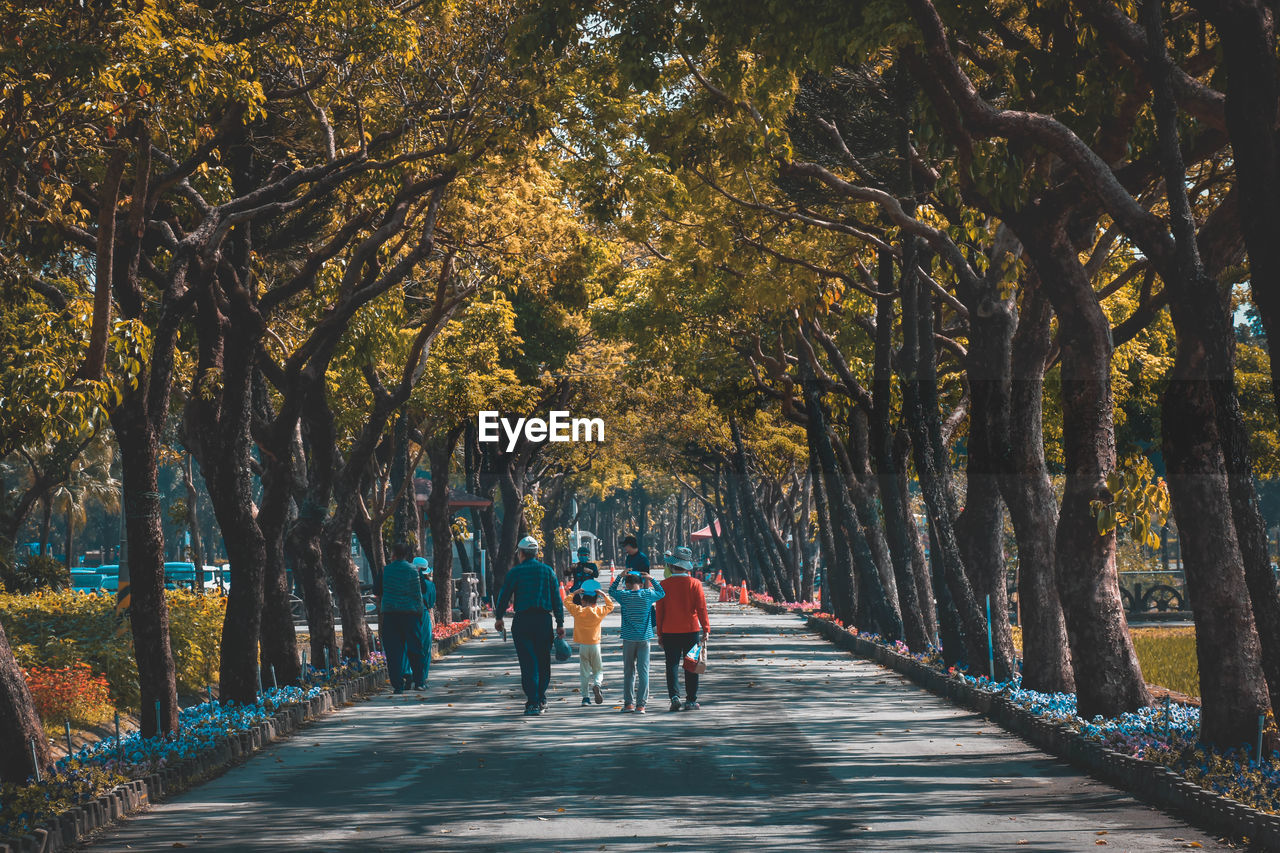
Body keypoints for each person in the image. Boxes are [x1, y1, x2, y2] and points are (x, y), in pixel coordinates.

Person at [495, 536, 565, 716]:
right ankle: (541, 697)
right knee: (543, 662)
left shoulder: (515, 572)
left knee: (528, 663)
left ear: (521, 553)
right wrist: (560, 623)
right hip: (543, 621)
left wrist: (499, 616)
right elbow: (557, 599)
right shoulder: (548, 571)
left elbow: (504, 595)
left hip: (522, 621)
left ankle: (532, 702)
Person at [657, 546, 710, 711]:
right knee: (691, 664)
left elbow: (660, 612)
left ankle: (674, 696)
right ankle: (691, 700)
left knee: (671, 665)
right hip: (691, 631)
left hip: (669, 631)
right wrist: (706, 628)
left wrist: (659, 634)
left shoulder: (663, 585)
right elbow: (701, 608)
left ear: (672, 566)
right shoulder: (695, 584)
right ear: (686, 566)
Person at [608, 569, 665, 713]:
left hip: (628, 638)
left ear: (626, 584)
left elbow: (611, 590)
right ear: (640, 583)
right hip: (644, 638)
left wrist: (619, 577)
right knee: (643, 671)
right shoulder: (647, 595)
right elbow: (661, 592)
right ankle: (641, 705)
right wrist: (651, 579)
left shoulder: (624, 596)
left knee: (629, 671)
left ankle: (629, 704)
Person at [376, 542, 426, 694]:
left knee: (393, 651)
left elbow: (377, 590)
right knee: (415, 649)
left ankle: (397, 685)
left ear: (393, 554)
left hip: (391, 615)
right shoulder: (414, 571)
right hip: (411, 615)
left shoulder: (385, 571)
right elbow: (422, 589)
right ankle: (419, 682)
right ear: (407, 555)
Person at [561, 579, 615, 705]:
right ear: (596, 602)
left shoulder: (578, 611)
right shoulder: (598, 611)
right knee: (598, 669)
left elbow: (566, 602)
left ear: (582, 601)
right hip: (595, 644)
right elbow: (610, 606)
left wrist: (575, 592)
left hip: (583, 645)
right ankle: (597, 684)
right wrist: (603, 594)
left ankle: (585, 698)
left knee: (584, 672)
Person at [413, 557, 436, 688]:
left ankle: (410, 674)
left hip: (408, 614)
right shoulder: (430, 585)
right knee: (425, 647)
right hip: (424, 614)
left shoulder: (408, 582)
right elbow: (431, 603)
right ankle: (423, 676)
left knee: (409, 645)